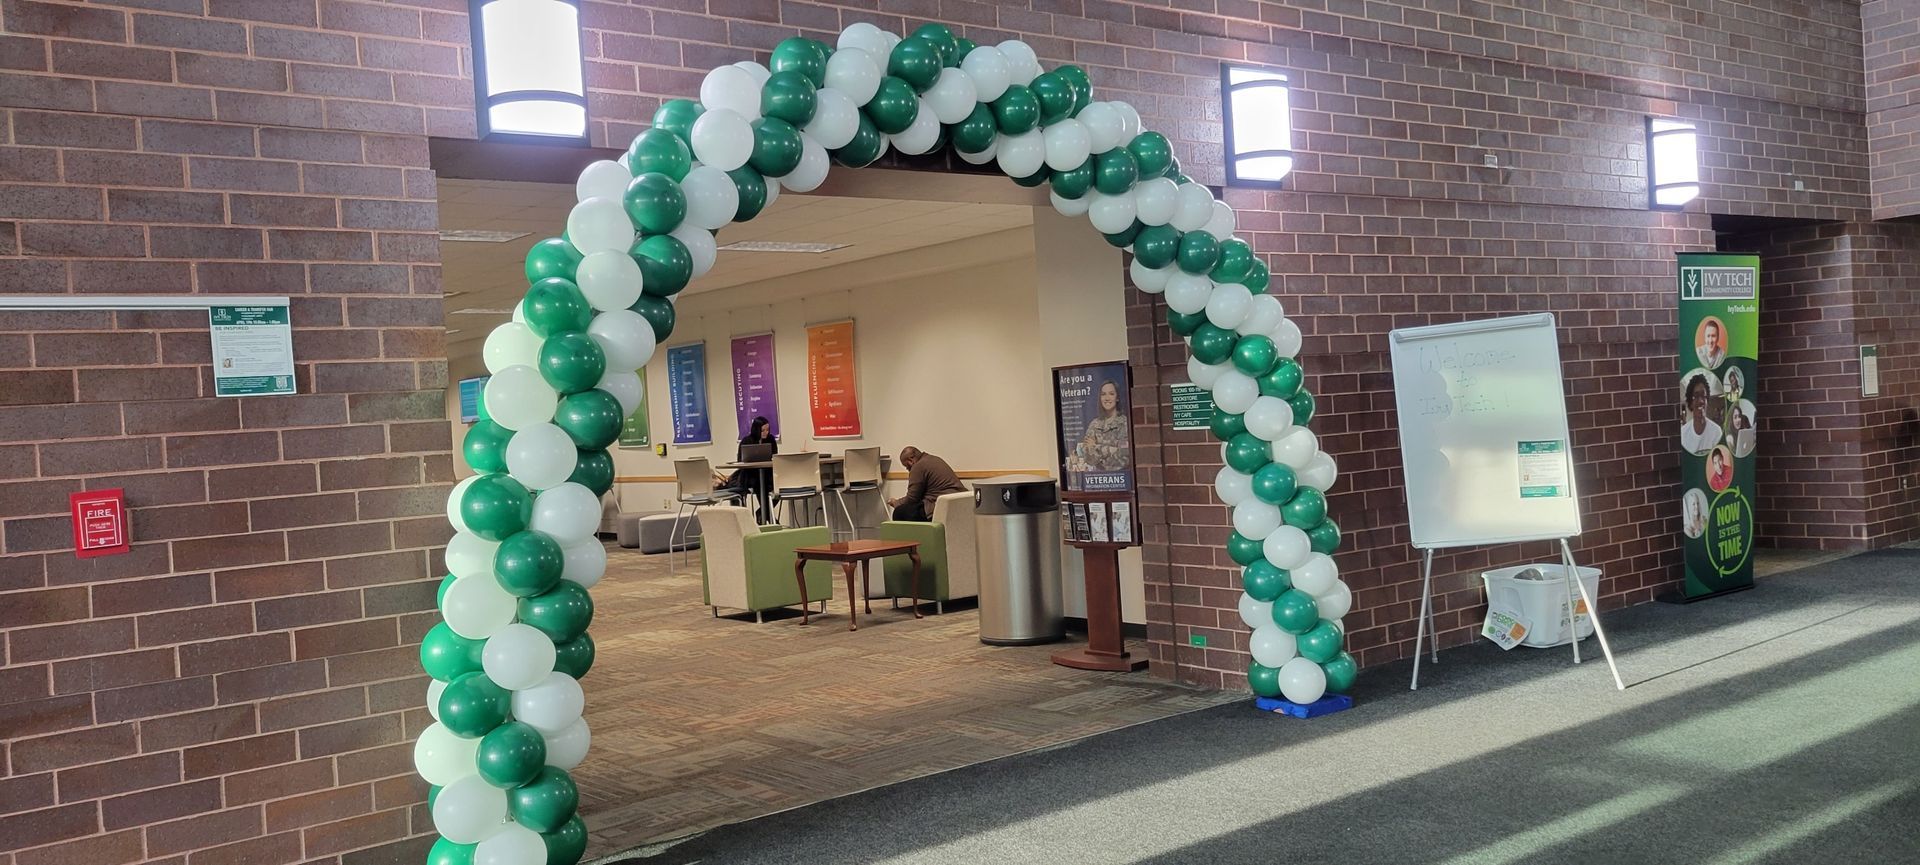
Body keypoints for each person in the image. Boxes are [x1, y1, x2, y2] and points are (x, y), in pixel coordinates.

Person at [887, 446, 966, 521]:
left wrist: (896, 503)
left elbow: (912, 498)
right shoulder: (934, 459)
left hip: (939, 506)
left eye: (906, 466)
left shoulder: (918, 466)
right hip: (958, 501)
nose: (908, 469)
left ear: (910, 460)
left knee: (899, 512)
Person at [1074, 380, 1131, 472]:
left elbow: (1124, 455)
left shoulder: (1125, 423)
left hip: (1122, 477)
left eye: (1111, 394)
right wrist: (1110, 449)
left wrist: (1096, 447)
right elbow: (1088, 458)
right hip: (1099, 478)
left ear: (1117, 398)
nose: (1107, 398)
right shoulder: (1094, 424)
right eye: (1103, 394)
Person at [737, 416, 776, 521]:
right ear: (756, 430)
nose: (766, 432)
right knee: (759, 484)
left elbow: (775, 457)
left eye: (767, 430)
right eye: (763, 430)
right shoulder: (746, 441)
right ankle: (769, 518)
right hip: (751, 475)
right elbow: (740, 459)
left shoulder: (771, 439)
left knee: (779, 486)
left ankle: (762, 512)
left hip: (767, 474)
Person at [1680, 374, 1722, 455]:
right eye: (1696, 396)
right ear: (1690, 403)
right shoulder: (1683, 433)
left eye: (1703, 396)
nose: (1701, 401)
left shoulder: (1716, 431)